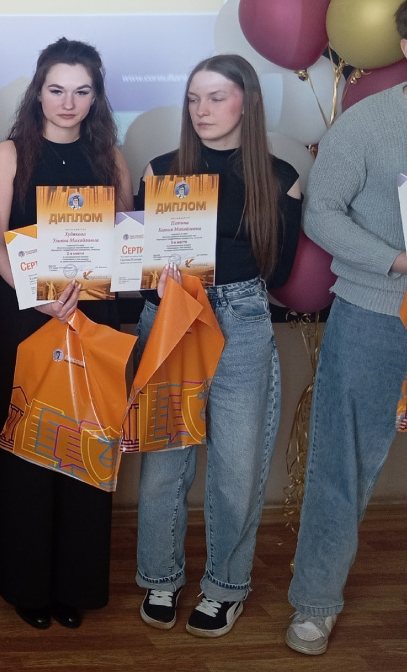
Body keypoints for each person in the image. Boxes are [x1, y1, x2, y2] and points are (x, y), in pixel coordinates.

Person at [131, 54, 301, 638]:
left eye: (216, 97)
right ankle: (161, 575)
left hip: (241, 318)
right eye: (193, 99)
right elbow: (137, 264)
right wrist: (155, 279)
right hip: (170, 317)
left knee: (237, 467)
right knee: (164, 463)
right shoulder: (159, 170)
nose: (201, 110)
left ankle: (226, 586)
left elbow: (280, 273)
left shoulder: (280, 177)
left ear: (246, 102)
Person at [0, 37, 132, 630]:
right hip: (25, 318)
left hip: (93, 320)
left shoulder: (111, 158)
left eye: (82, 91)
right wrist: (36, 294)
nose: (68, 103)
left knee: (85, 448)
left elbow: (123, 241)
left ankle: (76, 585)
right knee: (26, 451)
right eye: (57, 89)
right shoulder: (8, 154)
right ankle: (28, 586)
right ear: (38, 93)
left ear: (96, 97)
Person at [284, 2, 407, 656]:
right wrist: (395, 261)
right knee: (342, 461)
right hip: (374, 311)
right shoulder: (366, 124)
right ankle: (315, 602)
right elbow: (322, 214)